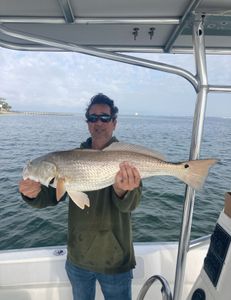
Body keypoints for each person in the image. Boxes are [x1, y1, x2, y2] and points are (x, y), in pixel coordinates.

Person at [19, 93, 142, 300]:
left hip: (115, 261)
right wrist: (32, 194)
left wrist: (122, 190)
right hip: (78, 259)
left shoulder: (126, 160)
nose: (98, 123)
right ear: (87, 124)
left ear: (114, 123)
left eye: (104, 117)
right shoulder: (70, 157)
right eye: (93, 118)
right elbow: (50, 196)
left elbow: (132, 204)